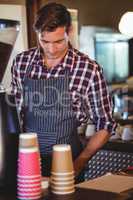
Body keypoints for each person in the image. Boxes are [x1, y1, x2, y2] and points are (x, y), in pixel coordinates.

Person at [11, 2, 117, 183]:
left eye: (59, 41)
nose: (51, 49)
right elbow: (15, 115)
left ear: (70, 31)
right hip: (27, 164)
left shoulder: (88, 69)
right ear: (37, 34)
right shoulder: (21, 63)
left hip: (69, 164)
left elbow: (105, 124)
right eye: (44, 41)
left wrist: (78, 165)